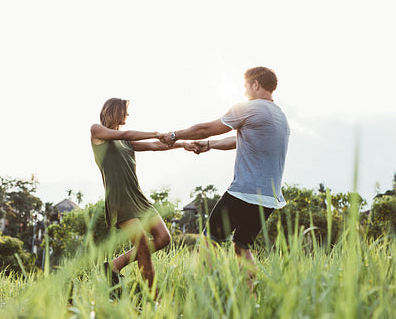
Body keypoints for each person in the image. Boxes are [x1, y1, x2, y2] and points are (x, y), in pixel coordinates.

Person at [158, 66, 290, 290]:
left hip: (244, 192)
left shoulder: (250, 107)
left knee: (209, 240)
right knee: (242, 245)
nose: (244, 90)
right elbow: (239, 141)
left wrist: (174, 135)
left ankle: (205, 293)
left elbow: (207, 128)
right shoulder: (279, 117)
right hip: (269, 197)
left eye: (246, 85)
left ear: (255, 84)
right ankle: (249, 299)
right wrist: (210, 146)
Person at [91, 97, 194, 294]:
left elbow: (156, 146)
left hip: (138, 197)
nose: (127, 115)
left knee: (163, 238)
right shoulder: (97, 131)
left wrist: (184, 145)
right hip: (119, 199)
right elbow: (131, 133)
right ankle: (152, 298)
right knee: (143, 247)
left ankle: (113, 265)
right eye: (125, 111)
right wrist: (155, 133)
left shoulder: (125, 140)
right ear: (114, 111)